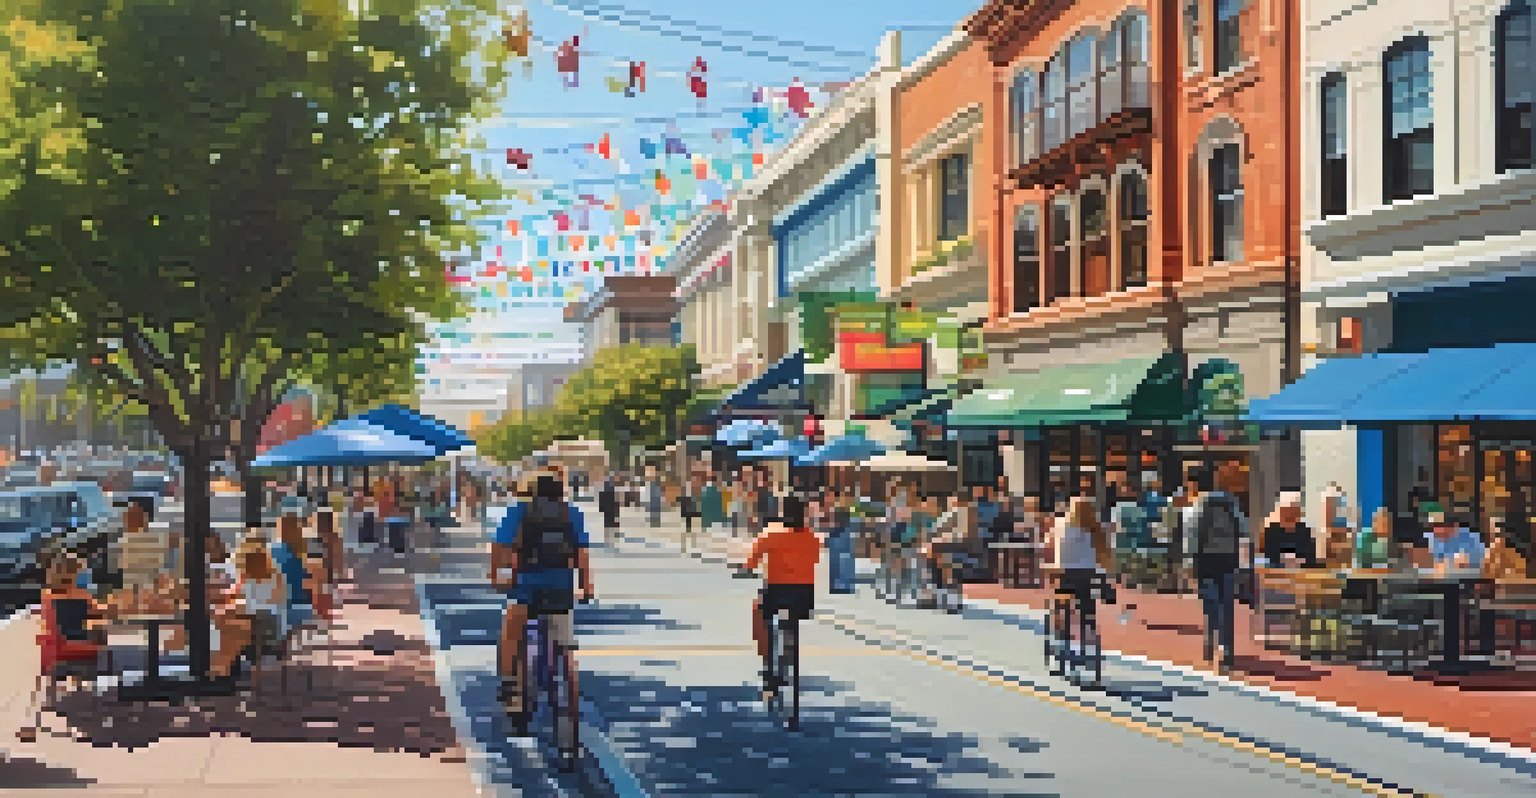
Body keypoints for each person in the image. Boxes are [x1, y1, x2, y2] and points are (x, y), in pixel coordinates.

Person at [491, 475, 594, 724]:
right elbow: (581, 553)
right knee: (563, 635)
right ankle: (565, 666)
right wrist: (586, 586)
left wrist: (496, 576)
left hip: (526, 585)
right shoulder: (571, 514)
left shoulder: (518, 511)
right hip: (561, 586)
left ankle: (508, 685)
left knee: (512, 630)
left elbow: (500, 546)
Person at [744, 494, 820, 696]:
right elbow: (814, 560)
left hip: (776, 590)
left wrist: (746, 569)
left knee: (759, 612)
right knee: (792, 619)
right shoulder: (812, 537)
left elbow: (751, 561)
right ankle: (787, 653)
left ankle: (768, 663)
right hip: (804, 594)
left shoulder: (771, 533)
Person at [1188, 468, 1246, 671]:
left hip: (1206, 558)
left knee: (1210, 601)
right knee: (1227, 602)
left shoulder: (1199, 504)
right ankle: (1227, 647)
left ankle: (1211, 641)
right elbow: (1243, 528)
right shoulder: (1230, 502)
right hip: (1228, 558)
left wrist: (1190, 561)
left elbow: (1194, 534)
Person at [1261, 491, 1320, 569]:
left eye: (1293, 512)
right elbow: (1267, 560)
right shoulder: (1271, 533)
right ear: (1281, 512)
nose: (1289, 515)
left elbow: (1311, 562)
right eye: (1286, 511)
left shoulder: (1305, 532)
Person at [1424, 503, 1486, 572]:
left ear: (1453, 525)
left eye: (1441, 525)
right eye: (1434, 526)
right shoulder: (1435, 540)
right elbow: (1437, 564)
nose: (1437, 530)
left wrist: (1465, 561)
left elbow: (1482, 560)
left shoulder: (1469, 537)